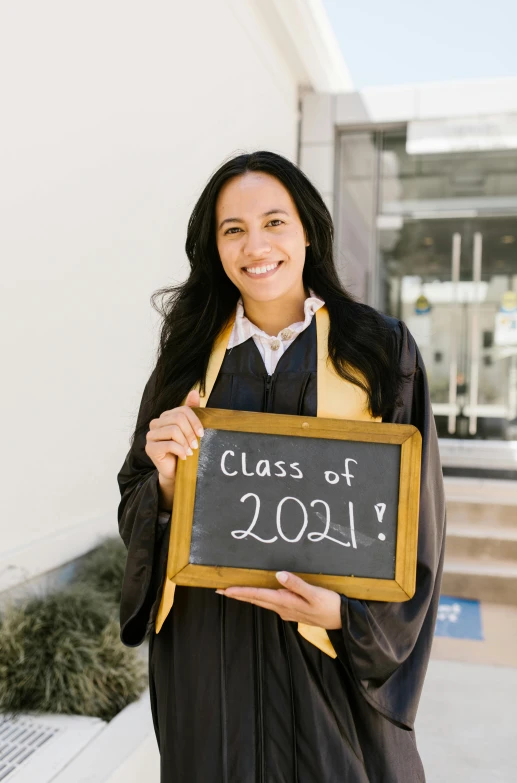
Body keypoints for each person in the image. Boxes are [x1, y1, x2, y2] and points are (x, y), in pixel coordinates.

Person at [117, 150, 446, 783]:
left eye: (274, 222)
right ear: (213, 247)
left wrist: (348, 619)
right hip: (209, 657)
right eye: (233, 229)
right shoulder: (189, 357)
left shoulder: (377, 351)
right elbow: (137, 490)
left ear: (307, 231)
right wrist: (162, 480)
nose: (255, 245)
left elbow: (419, 524)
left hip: (326, 658)